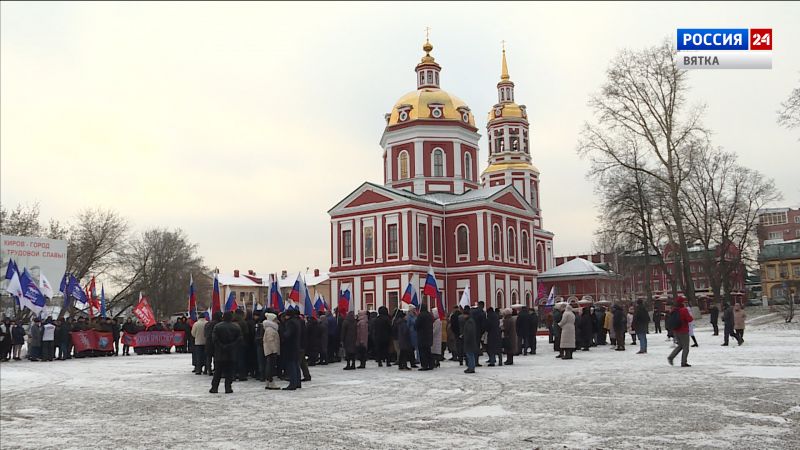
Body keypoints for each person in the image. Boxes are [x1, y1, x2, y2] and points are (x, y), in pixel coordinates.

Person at [210, 312, 242, 394]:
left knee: (218, 372)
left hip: (219, 353)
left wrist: (221, 346)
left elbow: (214, 339)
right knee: (229, 372)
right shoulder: (236, 327)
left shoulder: (217, 326)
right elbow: (239, 339)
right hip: (231, 353)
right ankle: (228, 387)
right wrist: (231, 346)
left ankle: (214, 387)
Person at [667, 298, 694, 367]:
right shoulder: (684, 310)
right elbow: (689, 319)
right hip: (683, 330)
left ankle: (671, 356)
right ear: (682, 303)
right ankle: (683, 362)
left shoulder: (674, 310)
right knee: (686, 347)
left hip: (676, 331)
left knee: (680, 345)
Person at [281, 309, 303, 390]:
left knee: (291, 365)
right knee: (296, 364)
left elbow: (288, 334)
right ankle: (297, 383)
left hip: (290, 346)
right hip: (296, 346)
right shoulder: (297, 321)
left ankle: (292, 383)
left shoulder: (290, 322)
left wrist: (282, 335)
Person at [262, 313, 281, 389]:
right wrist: (274, 350)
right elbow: (270, 340)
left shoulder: (271, 328)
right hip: (271, 350)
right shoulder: (270, 329)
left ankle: (268, 381)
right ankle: (271, 381)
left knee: (270, 366)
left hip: (270, 350)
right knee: (270, 367)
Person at [415, 304, 434, 371]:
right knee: (428, 351)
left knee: (422, 352)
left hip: (422, 336)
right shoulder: (429, 315)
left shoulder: (420, 316)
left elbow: (416, 326)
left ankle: (424, 365)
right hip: (429, 335)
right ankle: (431, 364)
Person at [462, 307, 478, 374]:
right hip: (470, 340)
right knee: (470, 354)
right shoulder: (470, 321)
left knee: (470, 354)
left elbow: (469, 331)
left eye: (464, 315)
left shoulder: (469, 321)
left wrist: (466, 338)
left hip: (469, 341)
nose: (463, 316)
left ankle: (471, 368)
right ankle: (471, 367)